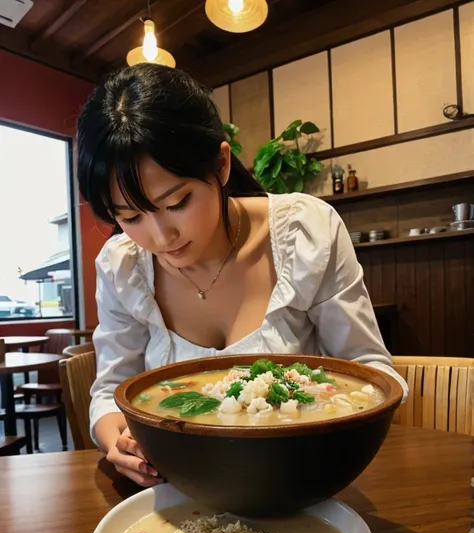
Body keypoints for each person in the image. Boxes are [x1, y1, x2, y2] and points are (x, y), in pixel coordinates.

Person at [77, 64, 407, 488]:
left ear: (221, 163)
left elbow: (370, 369)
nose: (161, 237)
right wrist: (118, 443)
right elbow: (111, 391)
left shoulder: (306, 233)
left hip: (306, 480)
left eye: (178, 202)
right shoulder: (122, 266)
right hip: (178, 488)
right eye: (130, 216)